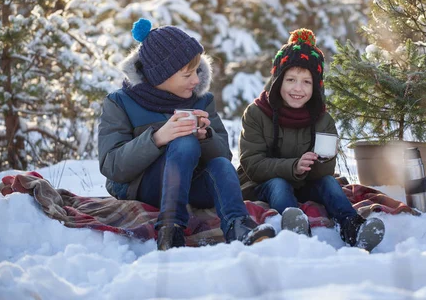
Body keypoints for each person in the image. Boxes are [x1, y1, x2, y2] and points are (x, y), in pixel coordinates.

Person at [98, 18, 275, 250]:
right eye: (187, 74)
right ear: (160, 75)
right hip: (147, 188)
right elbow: (112, 166)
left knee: (221, 165)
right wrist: (157, 138)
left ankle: (238, 225)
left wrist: (206, 137)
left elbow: (223, 154)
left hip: (195, 186)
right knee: (184, 144)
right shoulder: (120, 103)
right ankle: (170, 229)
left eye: (197, 70)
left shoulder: (202, 101)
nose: (196, 80)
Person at [237, 28, 385, 252]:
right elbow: (252, 164)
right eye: (291, 80)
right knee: (279, 184)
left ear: (316, 86)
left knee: (328, 182)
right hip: (262, 183)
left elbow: (323, 173)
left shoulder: (322, 119)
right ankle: (296, 228)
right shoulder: (257, 113)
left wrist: (322, 161)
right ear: (277, 80)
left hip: (305, 183)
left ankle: (352, 227)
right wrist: (293, 166)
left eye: (307, 82)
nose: (298, 88)